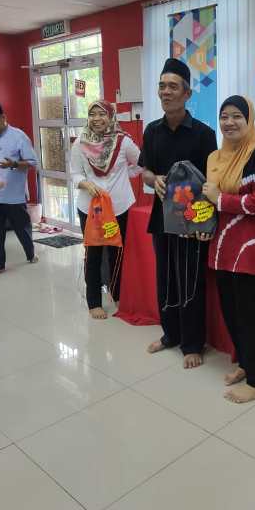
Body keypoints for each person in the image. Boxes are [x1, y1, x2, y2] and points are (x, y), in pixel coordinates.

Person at [140, 57, 217, 369]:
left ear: (187, 94)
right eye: (162, 86)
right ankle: (170, 334)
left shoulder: (203, 134)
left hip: (192, 221)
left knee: (190, 282)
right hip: (161, 217)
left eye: (173, 86)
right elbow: (145, 170)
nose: (165, 92)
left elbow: (211, 181)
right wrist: (154, 179)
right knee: (166, 279)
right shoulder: (152, 131)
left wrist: (205, 221)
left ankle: (193, 343)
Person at [202, 95, 255, 403]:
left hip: (250, 247)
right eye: (224, 116)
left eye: (237, 116)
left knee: (251, 315)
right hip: (222, 247)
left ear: (249, 120)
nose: (229, 122)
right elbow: (207, 197)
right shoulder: (216, 157)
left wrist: (220, 199)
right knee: (231, 312)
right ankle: (246, 364)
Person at [71, 100, 141, 319]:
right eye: (92, 114)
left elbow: (141, 163)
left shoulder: (123, 142)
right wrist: (85, 183)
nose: (96, 119)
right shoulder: (80, 143)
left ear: (111, 117)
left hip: (119, 207)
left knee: (117, 253)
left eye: (102, 114)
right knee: (93, 254)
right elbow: (75, 173)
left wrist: (124, 176)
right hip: (90, 209)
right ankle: (94, 302)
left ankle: (117, 294)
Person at [0, 102, 39, 277]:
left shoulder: (19, 136)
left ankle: (31, 253)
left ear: (4, 118)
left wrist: (13, 164)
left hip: (14, 196)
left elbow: (32, 162)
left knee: (22, 229)